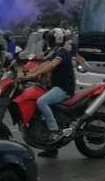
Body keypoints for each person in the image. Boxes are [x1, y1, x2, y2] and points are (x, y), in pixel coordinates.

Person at [26, 28, 75, 158]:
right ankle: (51, 148)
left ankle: (54, 131)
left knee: (41, 101)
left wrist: (36, 73)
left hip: (63, 89)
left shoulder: (63, 53)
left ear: (56, 39)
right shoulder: (54, 52)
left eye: (50, 39)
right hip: (54, 87)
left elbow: (52, 65)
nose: (48, 41)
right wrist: (30, 72)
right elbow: (45, 63)